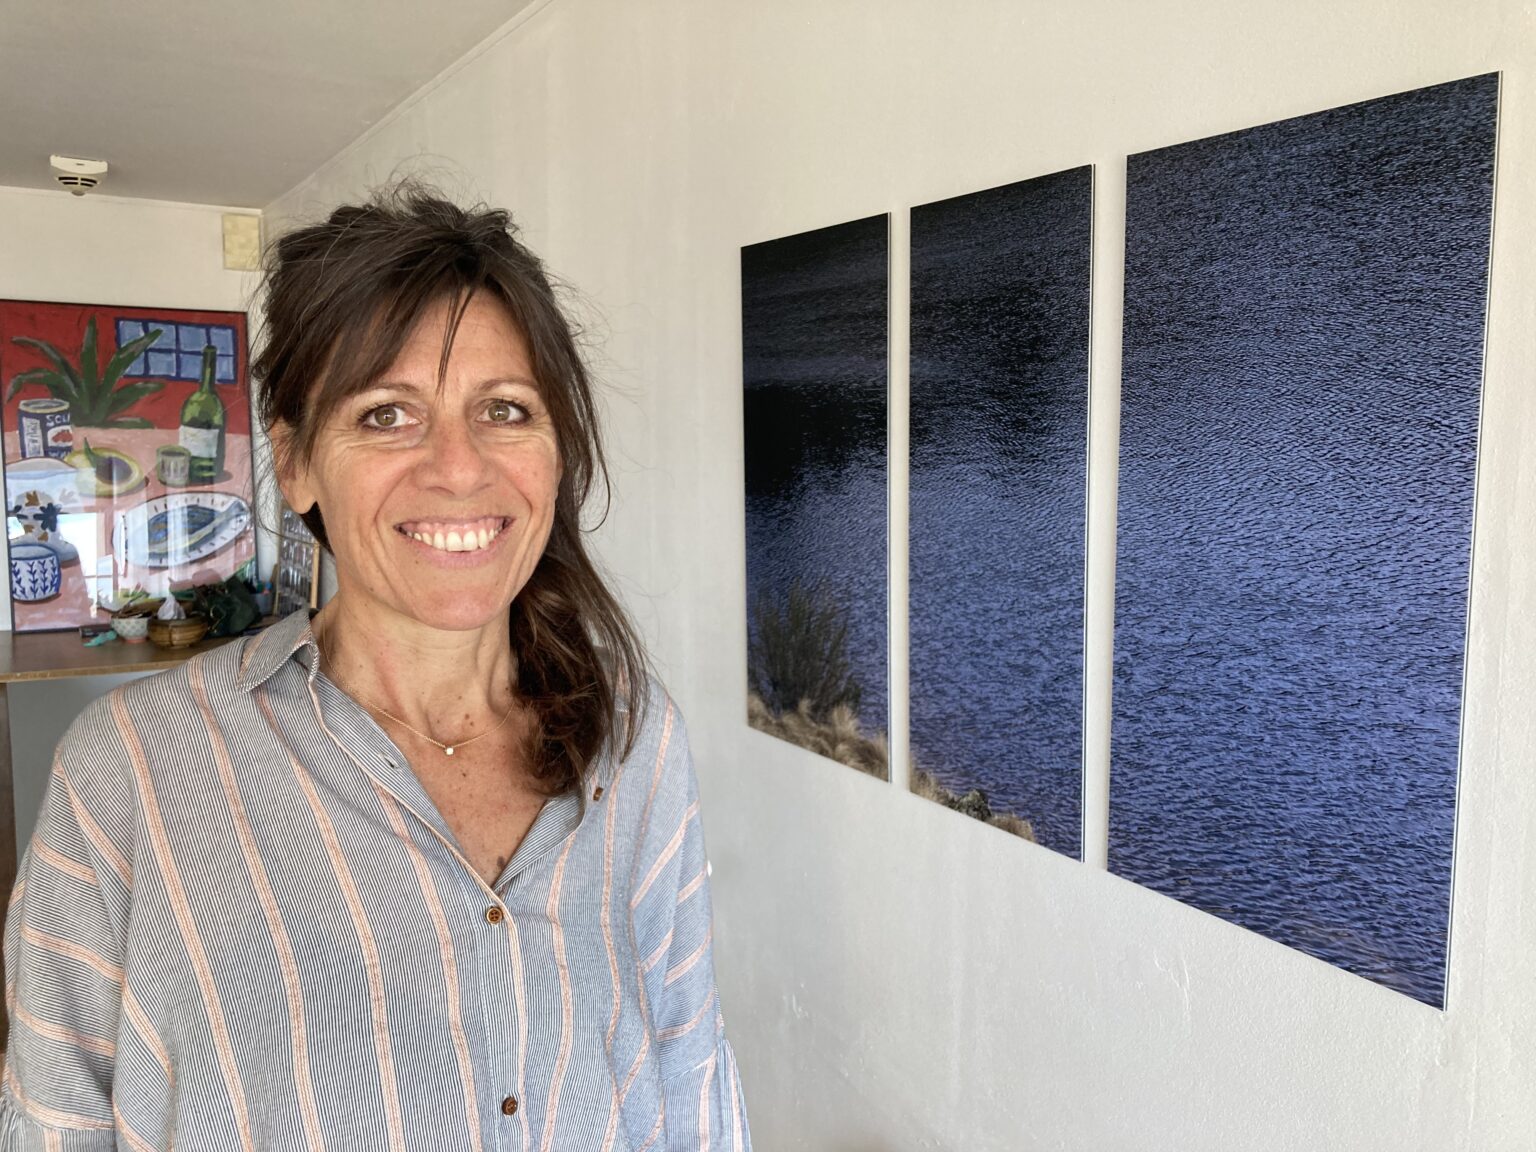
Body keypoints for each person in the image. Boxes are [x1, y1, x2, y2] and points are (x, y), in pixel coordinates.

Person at [0, 187, 751, 1151]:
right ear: (297, 464)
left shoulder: (633, 735)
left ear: (557, 451)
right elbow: (54, 1120)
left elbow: (689, 1065)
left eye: (505, 409)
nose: (459, 468)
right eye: (387, 414)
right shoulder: (130, 772)